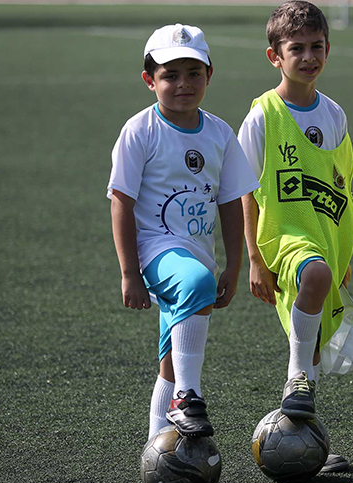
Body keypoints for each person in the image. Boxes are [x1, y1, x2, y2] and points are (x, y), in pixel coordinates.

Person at [108, 24, 259, 440]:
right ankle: (186, 397)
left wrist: (233, 265)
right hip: (156, 252)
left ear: (209, 74)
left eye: (193, 73)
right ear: (149, 80)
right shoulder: (140, 130)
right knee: (195, 281)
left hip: (198, 251)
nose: (182, 84)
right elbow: (121, 201)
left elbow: (232, 202)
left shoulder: (220, 133)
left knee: (170, 361)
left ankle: (158, 448)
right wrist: (129, 273)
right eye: (169, 75)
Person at [237, 0, 353, 472]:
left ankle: (303, 434)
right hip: (282, 240)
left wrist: (342, 253)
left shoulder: (334, 114)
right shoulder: (264, 116)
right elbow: (244, 192)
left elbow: (341, 186)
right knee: (313, 282)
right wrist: (253, 257)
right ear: (275, 56)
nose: (308, 57)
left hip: (325, 240)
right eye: (297, 48)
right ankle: (295, 382)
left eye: (317, 47)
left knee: (310, 338)